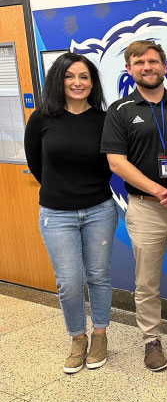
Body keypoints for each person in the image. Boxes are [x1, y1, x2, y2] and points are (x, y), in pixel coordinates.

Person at [101, 40, 167, 372]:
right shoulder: (119, 110)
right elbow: (117, 163)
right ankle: (151, 340)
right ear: (129, 69)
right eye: (139, 62)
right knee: (146, 278)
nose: (148, 67)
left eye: (153, 61)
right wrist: (161, 190)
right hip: (147, 206)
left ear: (164, 66)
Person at [24, 52, 117, 374]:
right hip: (56, 214)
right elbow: (36, 164)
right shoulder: (41, 119)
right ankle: (77, 338)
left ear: (92, 83)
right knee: (69, 281)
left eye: (84, 77)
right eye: (70, 76)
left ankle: (100, 335)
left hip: (99, 210)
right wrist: (61, 190)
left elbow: (111, 165)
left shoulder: (104, 120)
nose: (77, 83)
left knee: (99, 277)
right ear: (59, 80)